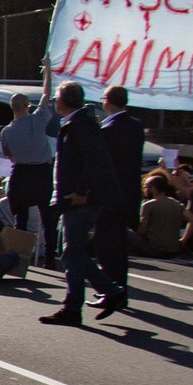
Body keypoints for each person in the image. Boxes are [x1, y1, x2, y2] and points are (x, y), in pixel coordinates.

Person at [39, 82, 119, 325]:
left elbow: (94, 161)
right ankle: (107, 291)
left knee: (71, 252)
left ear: (63, 102)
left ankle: (75, 306)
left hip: (80, 199)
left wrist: (82, 191)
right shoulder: (78, 123)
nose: (54, 103)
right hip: (74, 197)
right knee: (72, 253)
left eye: (56, 99)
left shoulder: (80, 125)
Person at [97, 84, 146, 306]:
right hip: (129, 193)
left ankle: (111, 289)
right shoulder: (135, 126)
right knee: (118, 245)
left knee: (107, 246)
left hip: (109, 195)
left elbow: (103, 166)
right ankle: (120, 288)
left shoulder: (108, 131)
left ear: (108, 100)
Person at [0, 88, 60, 263]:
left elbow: (8, 155)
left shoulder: (6, 132)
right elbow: (46, 95)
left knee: (21, 219)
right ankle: (49, 257)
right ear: (26, 106)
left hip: (20, 173)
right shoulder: (37, 121)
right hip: (41, 172)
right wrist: (47, 72)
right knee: (47, 218)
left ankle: (19, 259)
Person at [131, 172, 190, 256]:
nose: (144, 190)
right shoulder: (176, 204)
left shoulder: (148, 205)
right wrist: (183, 240)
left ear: (153, 188)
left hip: (154, 249)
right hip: (173, 250)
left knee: (125, 231)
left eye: (145, 187)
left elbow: (141, 231)